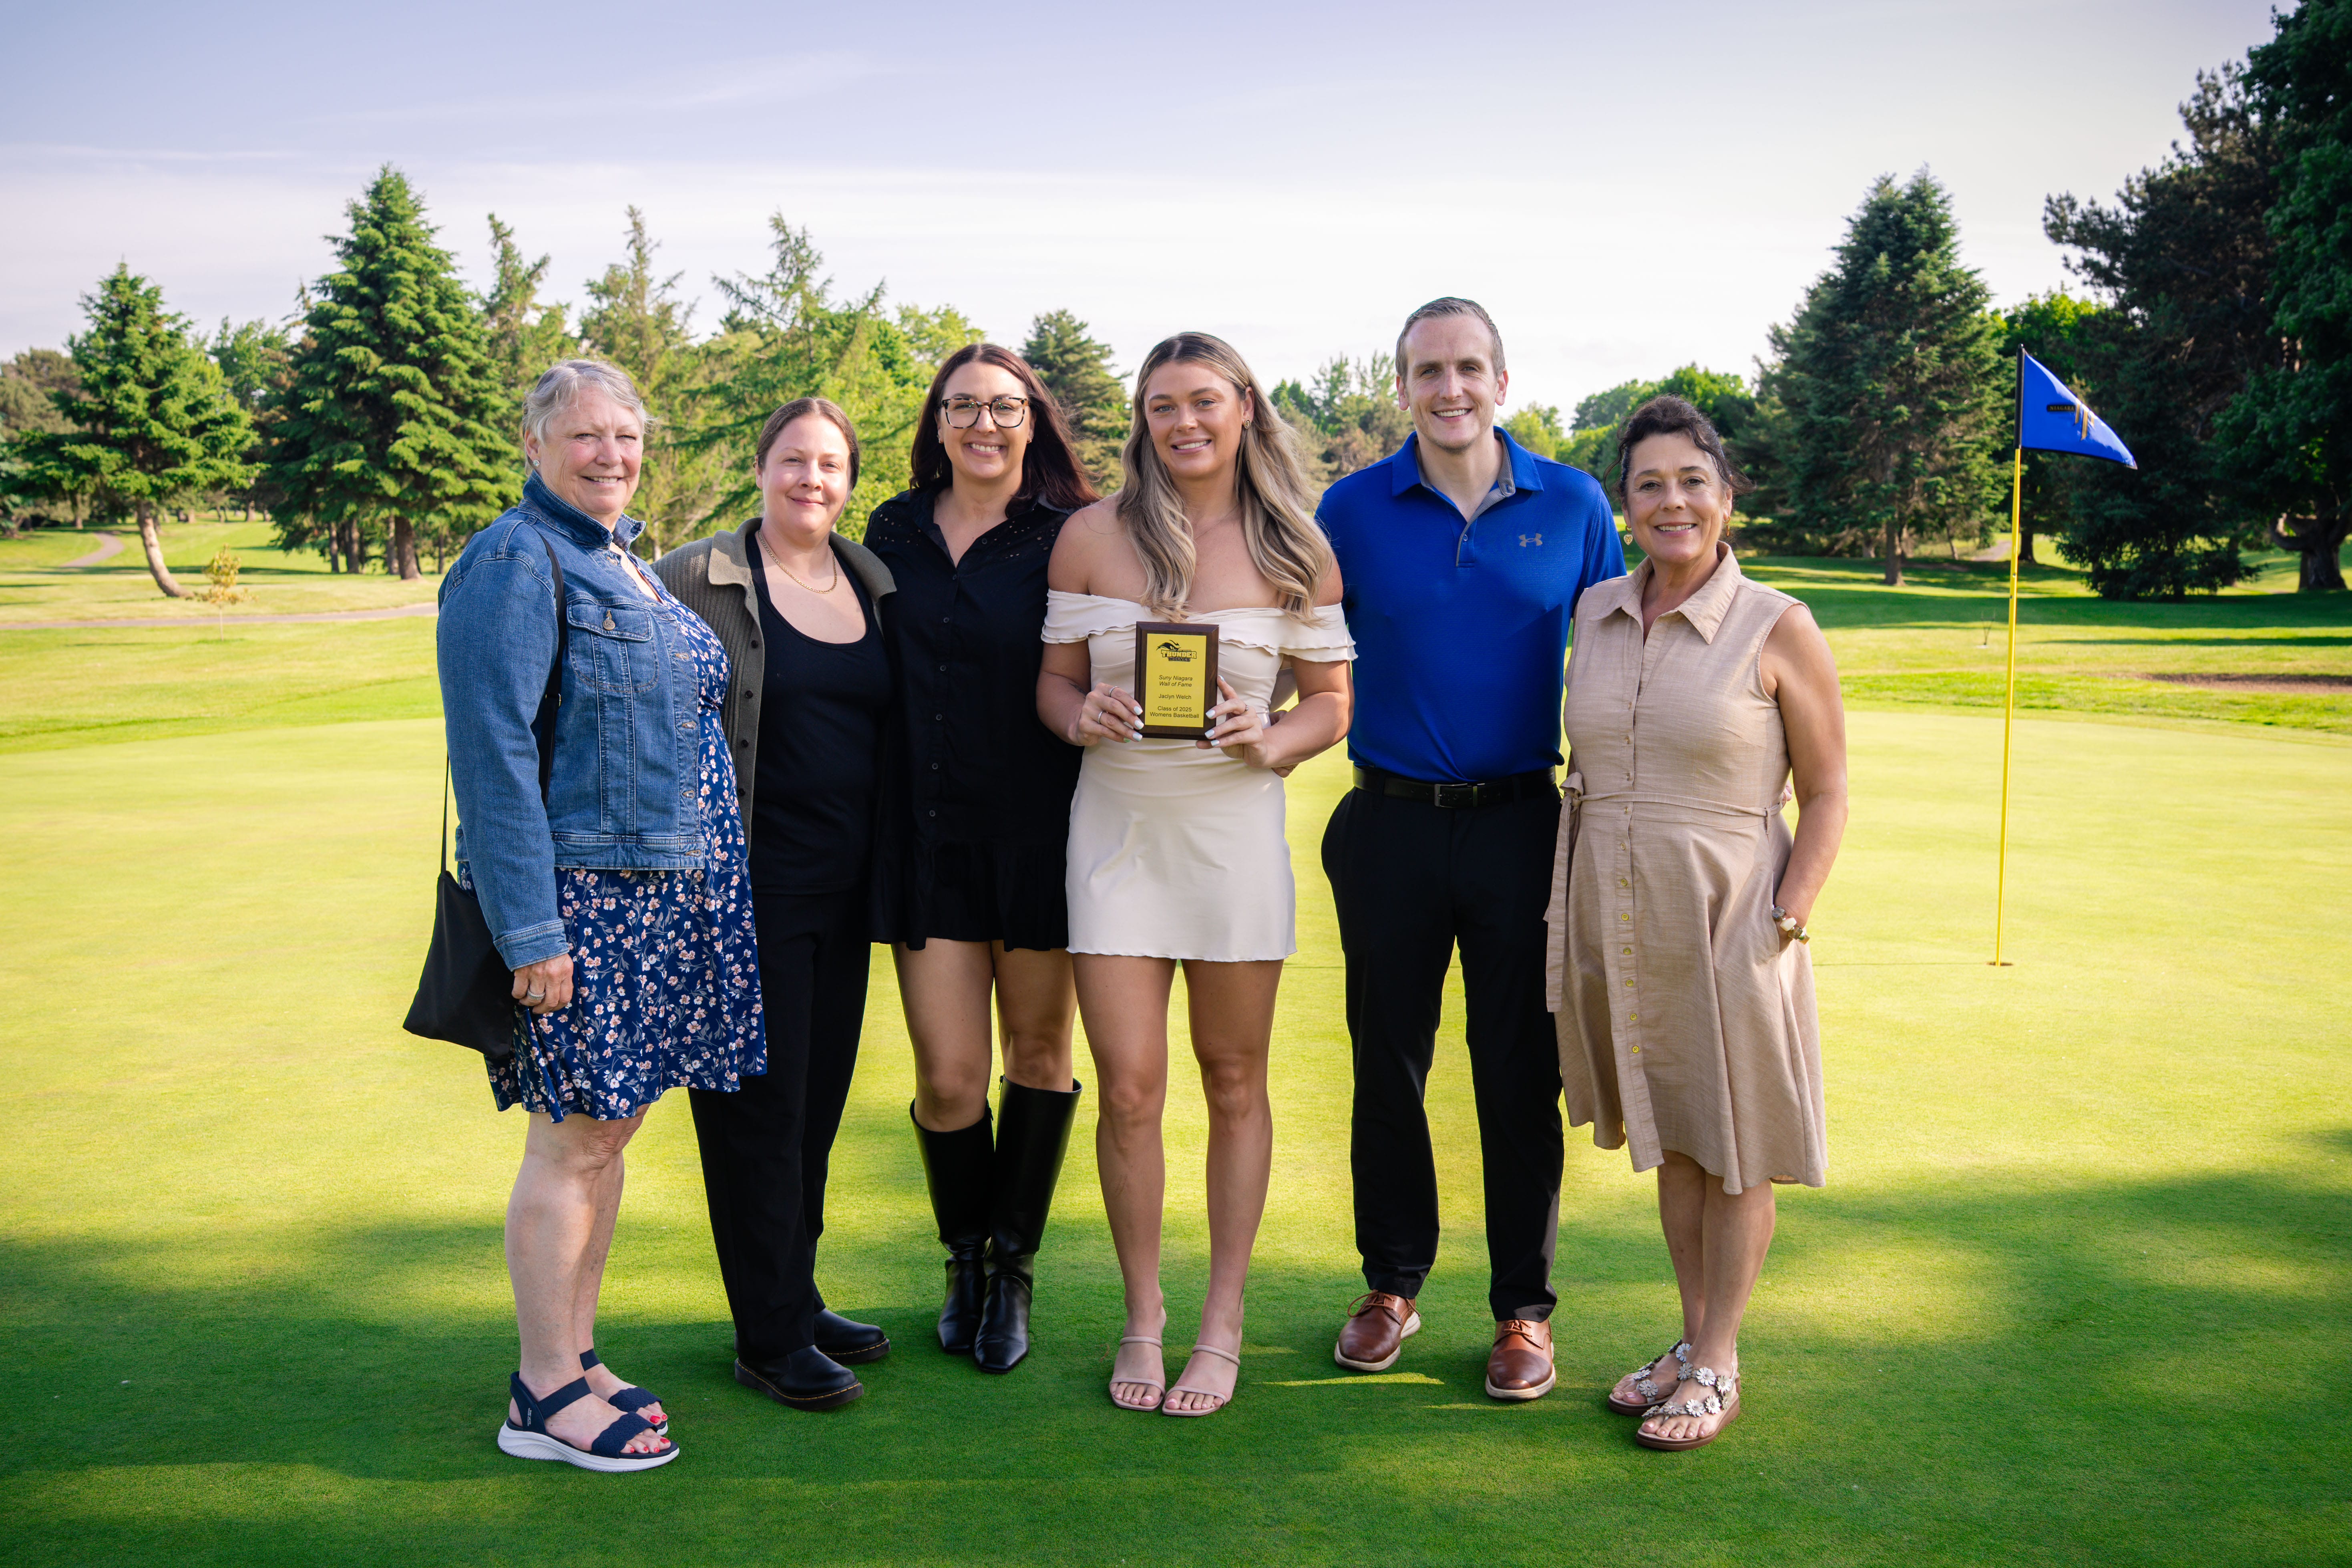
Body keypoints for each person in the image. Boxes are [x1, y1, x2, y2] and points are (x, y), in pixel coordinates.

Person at [441, 358, 765, 1472]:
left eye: (626, 437)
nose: (610, 456)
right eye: (584, 436)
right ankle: (540, 1392)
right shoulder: (516, 556)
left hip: (660, 896)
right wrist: (532, 934)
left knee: (608, 1134)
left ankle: (576, 1357)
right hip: (586, 906)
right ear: (534, 444)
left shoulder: (619, 560)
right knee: (573, 1141)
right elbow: (490, 753)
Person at [1038, 332, 1354, 1417]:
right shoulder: (1089, 537)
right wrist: (1078, 713)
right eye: (1162, 404)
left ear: (1243, 409)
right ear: (1142, 418)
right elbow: (1053, 681)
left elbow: (1328, 705)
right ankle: (1143, 1315)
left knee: (1232, 1080)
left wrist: (1271, 740)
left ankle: (1221, 1324)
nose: (1183, 422)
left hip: (1232, 844)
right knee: (1126, 1086)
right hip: (1116, 839)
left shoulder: (1298, 551)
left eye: (1203, 402)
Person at [1315, 298, 1625, 1401]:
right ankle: (1391, 1283)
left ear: (1502, 379)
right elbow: (1282, 638)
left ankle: (1521, 1312)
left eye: (1468, 368)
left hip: (1521, 824)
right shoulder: (1348, 508)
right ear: (1401, 385)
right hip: (1387, 820)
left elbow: (1623, 659)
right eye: (1427, 370)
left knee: (1516, 1076)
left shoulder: (1575, 502)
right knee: (1388, 1065)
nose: (1449, 388)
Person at [1550, 396, 1846, 1451]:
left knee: (1737, 1149)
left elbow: (1829, 790)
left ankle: (1719, 1357)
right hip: (1618, 911)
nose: (1671, 500)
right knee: (1676, 1142)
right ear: (1625, 504)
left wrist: (1783, 918)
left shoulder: (1779, 624)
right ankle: (1690, 1339)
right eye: (1648, 484)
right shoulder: (1594, 611)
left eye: (1691, 481)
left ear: (1725, 496)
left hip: (1735, 916)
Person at [653, 398, 896, 1412]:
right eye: (794, 460)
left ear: (851, 478)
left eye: (832, 464)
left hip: (846, 893)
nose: (813, 480)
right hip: (740, 893)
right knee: (760, 1112)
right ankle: (767, 1335)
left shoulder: (873, 581)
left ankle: (794, 1292)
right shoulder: (692, 578)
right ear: (761, 469)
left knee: (819, 1106)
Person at [863, 345, 1098, 1373]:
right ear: (939, 420)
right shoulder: (892, 527)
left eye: (1005, 406)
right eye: (964, 405)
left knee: (1039, 1058)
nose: (984, 424)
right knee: (951, 1077)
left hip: (1043, 834)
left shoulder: (1071, 534)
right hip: (926, 839)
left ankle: (1014, 1269)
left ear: (1033, 421)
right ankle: (962, 1256)